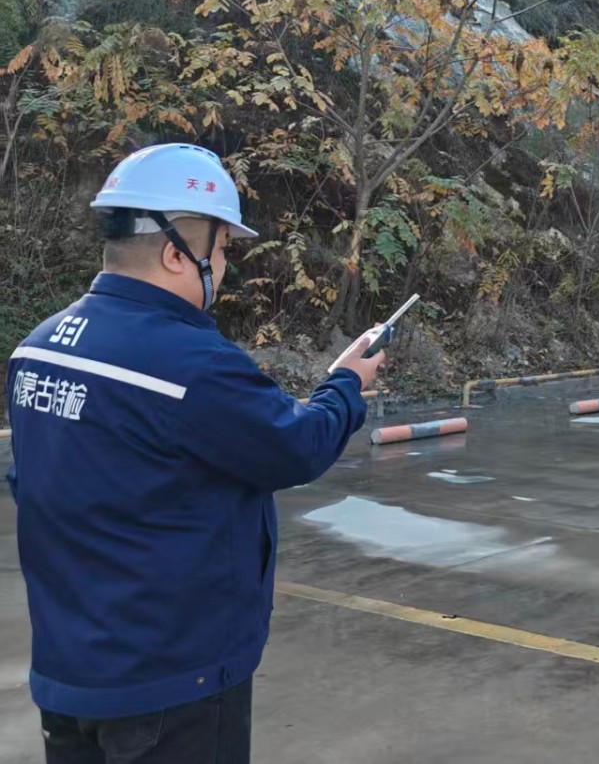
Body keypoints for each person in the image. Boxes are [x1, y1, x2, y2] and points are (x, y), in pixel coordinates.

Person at [5, 143, 388, 763]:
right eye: (223, 249)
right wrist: (345, 383)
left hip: (68, 675)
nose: (225, 266)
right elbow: (298, 446)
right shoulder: (191, 364)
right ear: (174, 253)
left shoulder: (37, 349)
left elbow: (33, 484)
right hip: (172, 684)